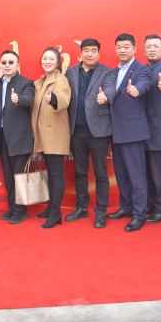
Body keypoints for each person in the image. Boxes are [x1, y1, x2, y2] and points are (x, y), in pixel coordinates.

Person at [64, 38, 115, 227]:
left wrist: (105, 96)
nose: (90, 54)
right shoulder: (70, 72)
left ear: (99, 53)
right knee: (80, 172)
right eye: (86, 50)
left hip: (99, 131)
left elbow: (111, 88)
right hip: (76, 131)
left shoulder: (108, 72)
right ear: (81, 53)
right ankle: (81, 208)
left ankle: (101, 211)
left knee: (101, 173)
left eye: (94, 50)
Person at [106, 34, 153, 232]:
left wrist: (137, 90)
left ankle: (139, 214)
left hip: (133, 131)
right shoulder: (113, 72)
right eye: (119, 47)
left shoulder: (142, 69)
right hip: (116, 131)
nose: (122, 50)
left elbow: (144, 83)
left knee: (137, 175)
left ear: (134, 48)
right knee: (121, 174)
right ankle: (126, 207)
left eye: (126, 46)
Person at [0, 50, 35, 224]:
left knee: (20, 176)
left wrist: (19, 99)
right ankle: (12, 208)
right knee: (8, 176)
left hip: (20, 137)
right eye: (4, 62)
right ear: (0, 65)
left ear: (18, 65)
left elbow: (29, 100)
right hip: (2, 137)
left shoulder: (26, 83)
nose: (7, 65)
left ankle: (21, 211)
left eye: (11, 62)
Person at [31, 47, 72, 229]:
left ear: (58, 63)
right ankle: (50, 208)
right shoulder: (42, 81)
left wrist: (55, 99)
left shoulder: (61, 80)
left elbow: (64, 98)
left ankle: (56, 212)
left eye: (51, 59)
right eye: (45, 58)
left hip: (55, 133)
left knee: (56, 173)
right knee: (51, 173)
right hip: (44, 134)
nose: (47, 61)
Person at [143, 34, 161, 223]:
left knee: (158, 174)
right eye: (149, 46)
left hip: (158, 131)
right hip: (142, 131)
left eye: (156, 46)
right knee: (147, 172)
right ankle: (150, 204)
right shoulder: (142, 70)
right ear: (143, 50)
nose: (152, 49)